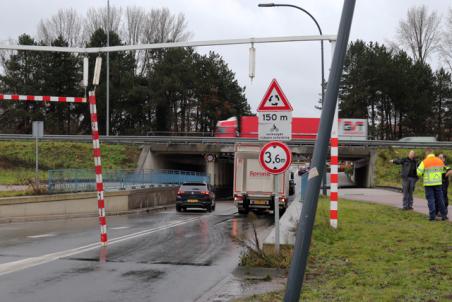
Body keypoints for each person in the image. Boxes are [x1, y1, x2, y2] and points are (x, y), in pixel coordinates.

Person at [417, 149, 448, 221]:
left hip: (428, 184)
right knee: (440, 199)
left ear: (427, 153)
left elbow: (418, 173)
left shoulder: (424, 162)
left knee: (431, 199)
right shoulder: (439, 161)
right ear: (432, 153)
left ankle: (432, 217)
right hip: (438, 183)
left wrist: (424, 173)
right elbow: (444, 170)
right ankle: (444, 216)